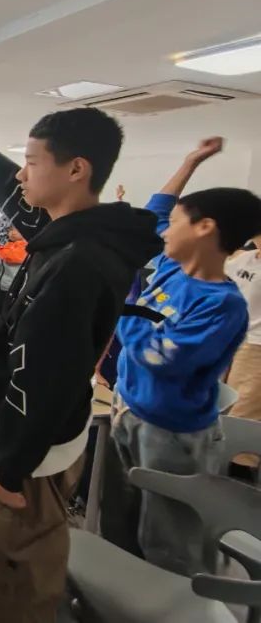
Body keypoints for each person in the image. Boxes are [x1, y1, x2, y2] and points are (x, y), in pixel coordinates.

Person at [0, 105, 161, 623]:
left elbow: (48, 378)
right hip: (11, 439)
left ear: (76, 169)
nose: (20, 175)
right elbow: (3, 182)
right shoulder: (66, 232)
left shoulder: (80, 262)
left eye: (32, 163)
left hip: (28, 460)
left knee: (6, 584)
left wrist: (9, 475)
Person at [102, 138, 261, 575]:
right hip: (128, 412)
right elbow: (156, 209)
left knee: (169, 540)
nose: (165, 230)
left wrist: (125, 306)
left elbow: (160, 357)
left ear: (205, 228)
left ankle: (172, 601)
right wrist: (190, 162)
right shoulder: (173, 267)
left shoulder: (222, 304)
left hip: (172, 435)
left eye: (176, 224)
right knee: (120, 520)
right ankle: (119, 595)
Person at [226, 231, 261, 478]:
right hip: (229, 338)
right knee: (220, 411)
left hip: (256, 347)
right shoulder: (242, 259)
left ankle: (239, 476)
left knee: (242, 415)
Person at [0, 223, 27, 316]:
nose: (13, 232)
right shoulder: (7, 243)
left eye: (17, 230)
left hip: (11, 288)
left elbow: (10, 256)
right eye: (10, 230)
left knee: (6, 315)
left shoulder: (25, 245)